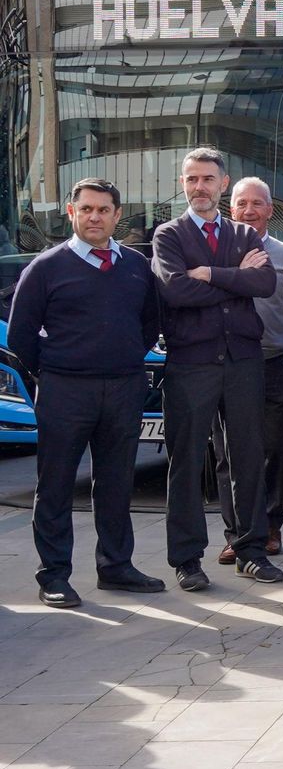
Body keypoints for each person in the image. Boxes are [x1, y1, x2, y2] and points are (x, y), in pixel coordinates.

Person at [10, 179, 163, 608]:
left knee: (116, 483)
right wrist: (55, 371)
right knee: (55, 485)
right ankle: (54, 576)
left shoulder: (136, 265)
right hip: (64, 391)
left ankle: (116, 567)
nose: (95, 216)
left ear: (117, 215)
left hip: (123, 388)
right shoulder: (44, 268)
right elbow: (21, 336)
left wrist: (128, 355)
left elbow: (149, 322)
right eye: (87, 209)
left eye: (104, 209)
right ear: (71, 212)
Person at [153, 147, 281, 589]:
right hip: (191, 364)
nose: (200, 187)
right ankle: (187, 560)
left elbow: (263, 283)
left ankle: (251, 551)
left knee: (248, 457)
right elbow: (175, 292)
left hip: (244, 361)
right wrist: (232, 276)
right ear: (184, 184)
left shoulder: (245, 234)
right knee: (186, 462)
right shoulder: (168, 236)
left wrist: (208, 272)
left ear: (223, 184)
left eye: (208, 179)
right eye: (192, 179)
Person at [212, 177, 283, 564]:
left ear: (269, 210)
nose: (249, 210)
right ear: (231, 209)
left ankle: (272, 526)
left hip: (275, 360)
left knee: (276, 448)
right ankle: (237, 533)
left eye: (257, 203)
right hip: (227, 363)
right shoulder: (218, 251)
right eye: (241, 203)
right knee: (228, 453)